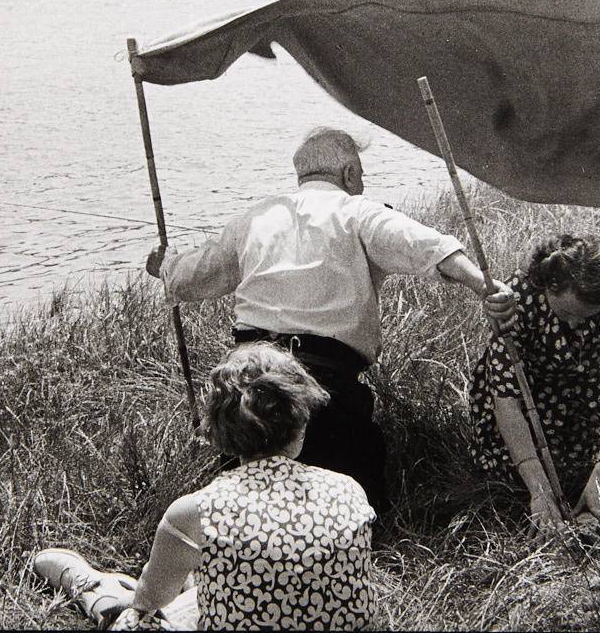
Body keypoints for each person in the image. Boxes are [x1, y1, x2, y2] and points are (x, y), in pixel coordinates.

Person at [145, 126, 515, 516]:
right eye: (361, 175)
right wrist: (483, 286)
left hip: (246, 381)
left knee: (244, 499)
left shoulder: (255, 216)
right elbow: (427, 247)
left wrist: (163, 265)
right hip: (324, 388)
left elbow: (193, 276)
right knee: (357, 502)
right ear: (350, 174)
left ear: (302, 174)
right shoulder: (359, 212)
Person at [32, 344, 375, 631]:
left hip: (194, 598)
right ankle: (188, 583)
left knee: (137, 618)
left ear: (220, 432)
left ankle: (95, 592)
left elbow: (150, 600)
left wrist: (140, 599)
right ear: (301, 423)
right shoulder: (349, 490)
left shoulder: (196, 510)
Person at [468, 235, 600, 533]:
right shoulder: (517, 296)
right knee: (503, 468)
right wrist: (538, 487)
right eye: (566, 314)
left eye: (586, 317)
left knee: (587, 463)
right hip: (528, 390)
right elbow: (506, 399)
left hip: (581, 388)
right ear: (549, 286)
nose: (575, 324)